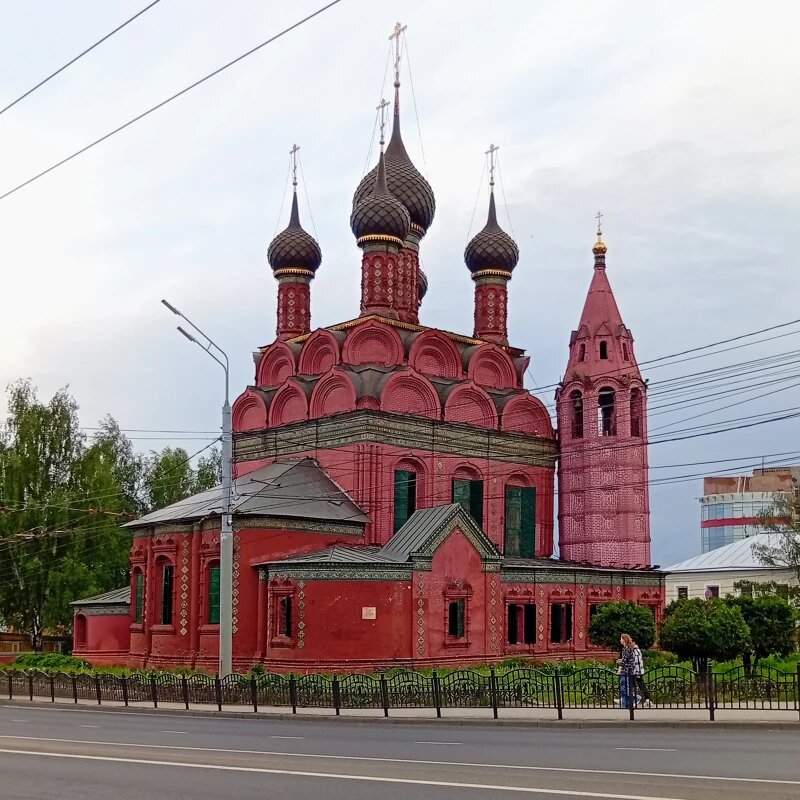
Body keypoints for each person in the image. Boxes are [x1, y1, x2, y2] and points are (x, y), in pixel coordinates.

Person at [616, 633, 636, 708]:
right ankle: (627, 702)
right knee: (627, 687)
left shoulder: (626, 649)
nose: (620, 640)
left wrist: (619, 670)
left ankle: (626, 703)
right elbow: (627, 660)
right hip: (630, 670)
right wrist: (621, 660)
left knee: (624, 687)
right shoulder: (630, 648)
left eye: (621, 639)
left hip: (626, 671)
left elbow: (624, 662)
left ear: (624, 640)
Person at [631, 639, 653, 708]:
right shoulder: (636, 650)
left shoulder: (636, 651)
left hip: (637, 672)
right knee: (641, 685)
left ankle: (643, 700)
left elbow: (637, 663)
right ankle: (647, 700)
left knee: (640, 686)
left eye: (630, 642)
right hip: (638, 671)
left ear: (634, 642)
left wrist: (637, 673)